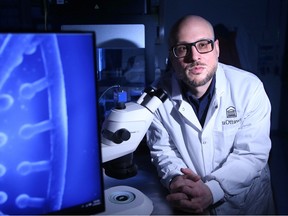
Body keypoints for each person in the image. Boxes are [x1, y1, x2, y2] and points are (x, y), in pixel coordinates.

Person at [146, 15, 275, 215]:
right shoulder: (156, 97)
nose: (194, 56)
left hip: (246, 206)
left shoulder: (249, 88)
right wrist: (176, 179)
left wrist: (211, 190)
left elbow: (251, 154)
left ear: (216, 48)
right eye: (182, 48)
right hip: (190, 200)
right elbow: (163, 151)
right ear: (172, 57)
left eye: (203, 45)